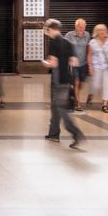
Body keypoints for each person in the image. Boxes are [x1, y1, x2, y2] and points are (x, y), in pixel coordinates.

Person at [43, 18, 85, 149]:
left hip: (58, 80)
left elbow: (53, 64)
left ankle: (76, 133)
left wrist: (44, 63)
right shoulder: (68, 42)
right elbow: (75, 62)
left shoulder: (53, 43)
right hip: (67, 80)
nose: (46, 33)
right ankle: (53, 134)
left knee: (61, 109)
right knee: (55, 107)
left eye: (46, 30)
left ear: (50, 29)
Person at [64, 18, 89, 112]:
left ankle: (75, 97)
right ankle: (78, 104)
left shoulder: (87, 35)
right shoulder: (69, 35)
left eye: (83, 27)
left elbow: (89, 49)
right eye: (80, 27)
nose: (82, 29)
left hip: (84, 64)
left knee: (80, 84)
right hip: (73, 65)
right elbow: (64, 48)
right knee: (76, 82)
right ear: (76, 26)